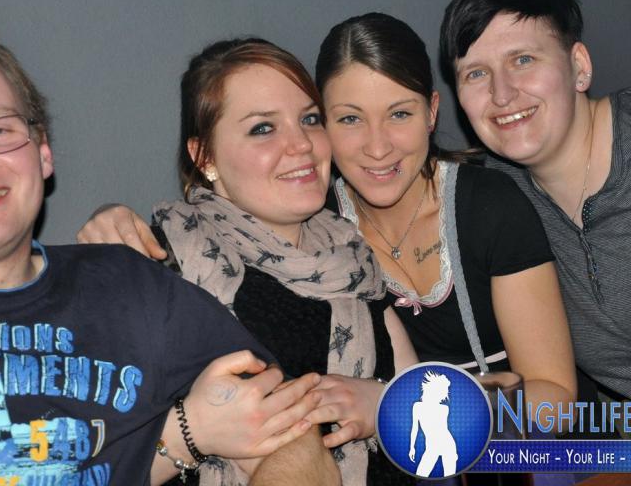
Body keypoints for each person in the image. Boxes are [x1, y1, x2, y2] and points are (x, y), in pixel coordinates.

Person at [0, 29, 328, 486]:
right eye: (262, 127)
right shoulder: (171, 247)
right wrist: (182, 435)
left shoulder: (128, 282)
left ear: (43, 151)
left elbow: (291, 435)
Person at [80, 38, 417, 486]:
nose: (301, 144)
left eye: (309, 119)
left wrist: (386, 405)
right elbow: (86, 463)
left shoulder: (354, 263)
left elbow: (439, 440)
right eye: (263, 128)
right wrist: (193, 432)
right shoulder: (161, 265)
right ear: (205, 157)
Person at [315, 12, 576, 424]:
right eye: (350, 119)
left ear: (431, 113)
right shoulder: (317, 230)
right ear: (321, 124)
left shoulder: (489, 205)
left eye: (399, 114)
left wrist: (394, 409)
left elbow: (555, 402)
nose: (378, 147)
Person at [439, 0, 631, 406]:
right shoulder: (494, 196)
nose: (502, 94)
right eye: (475, 73)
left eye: (523, 60)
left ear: (578, 66)